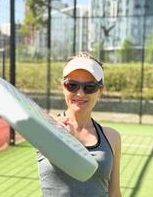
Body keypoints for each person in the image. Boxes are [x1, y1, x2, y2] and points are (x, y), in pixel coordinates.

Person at [38, 52, 122, 197]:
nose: (80, 93)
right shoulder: (47, 127)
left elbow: (114, 193)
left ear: (100, 91)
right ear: (63, 87)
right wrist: (55, 133)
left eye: (89, 87)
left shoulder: (112, 137)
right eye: (72, 85)